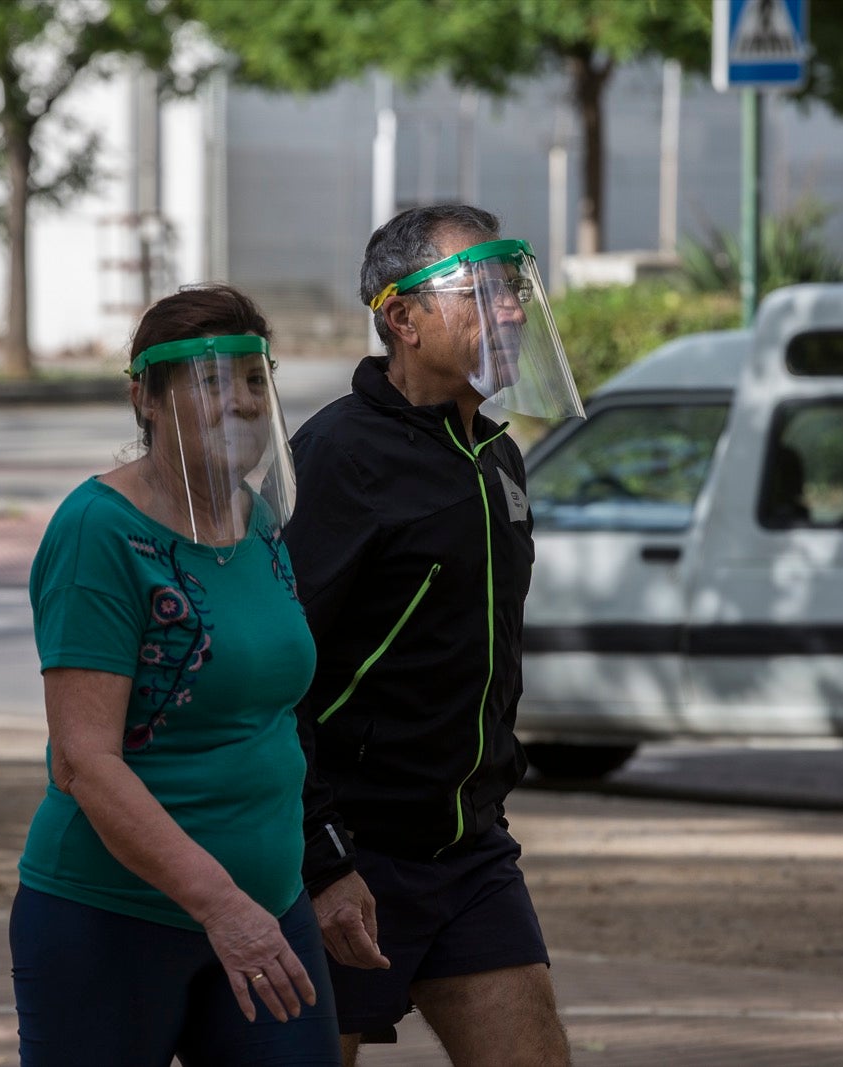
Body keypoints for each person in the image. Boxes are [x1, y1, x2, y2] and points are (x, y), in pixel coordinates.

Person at [282, 204, 586, 1066]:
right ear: (402, 318)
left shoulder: (497, 456)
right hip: (344, 857)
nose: (516, 311)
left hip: (471, 855)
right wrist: (321, 855)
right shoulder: (340, 457)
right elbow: (276, 677)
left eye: (516, 288)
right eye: (485, 290)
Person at [10, 284, 341, 1066]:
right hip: (112, 918)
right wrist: (221, 904)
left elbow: (272, 713)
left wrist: (328, 866)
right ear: (145, 397)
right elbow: (85, 762)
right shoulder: (99, 529)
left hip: (271, 901)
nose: (241, 400)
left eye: (254, 378)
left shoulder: (255, 514)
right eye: (208, 380)